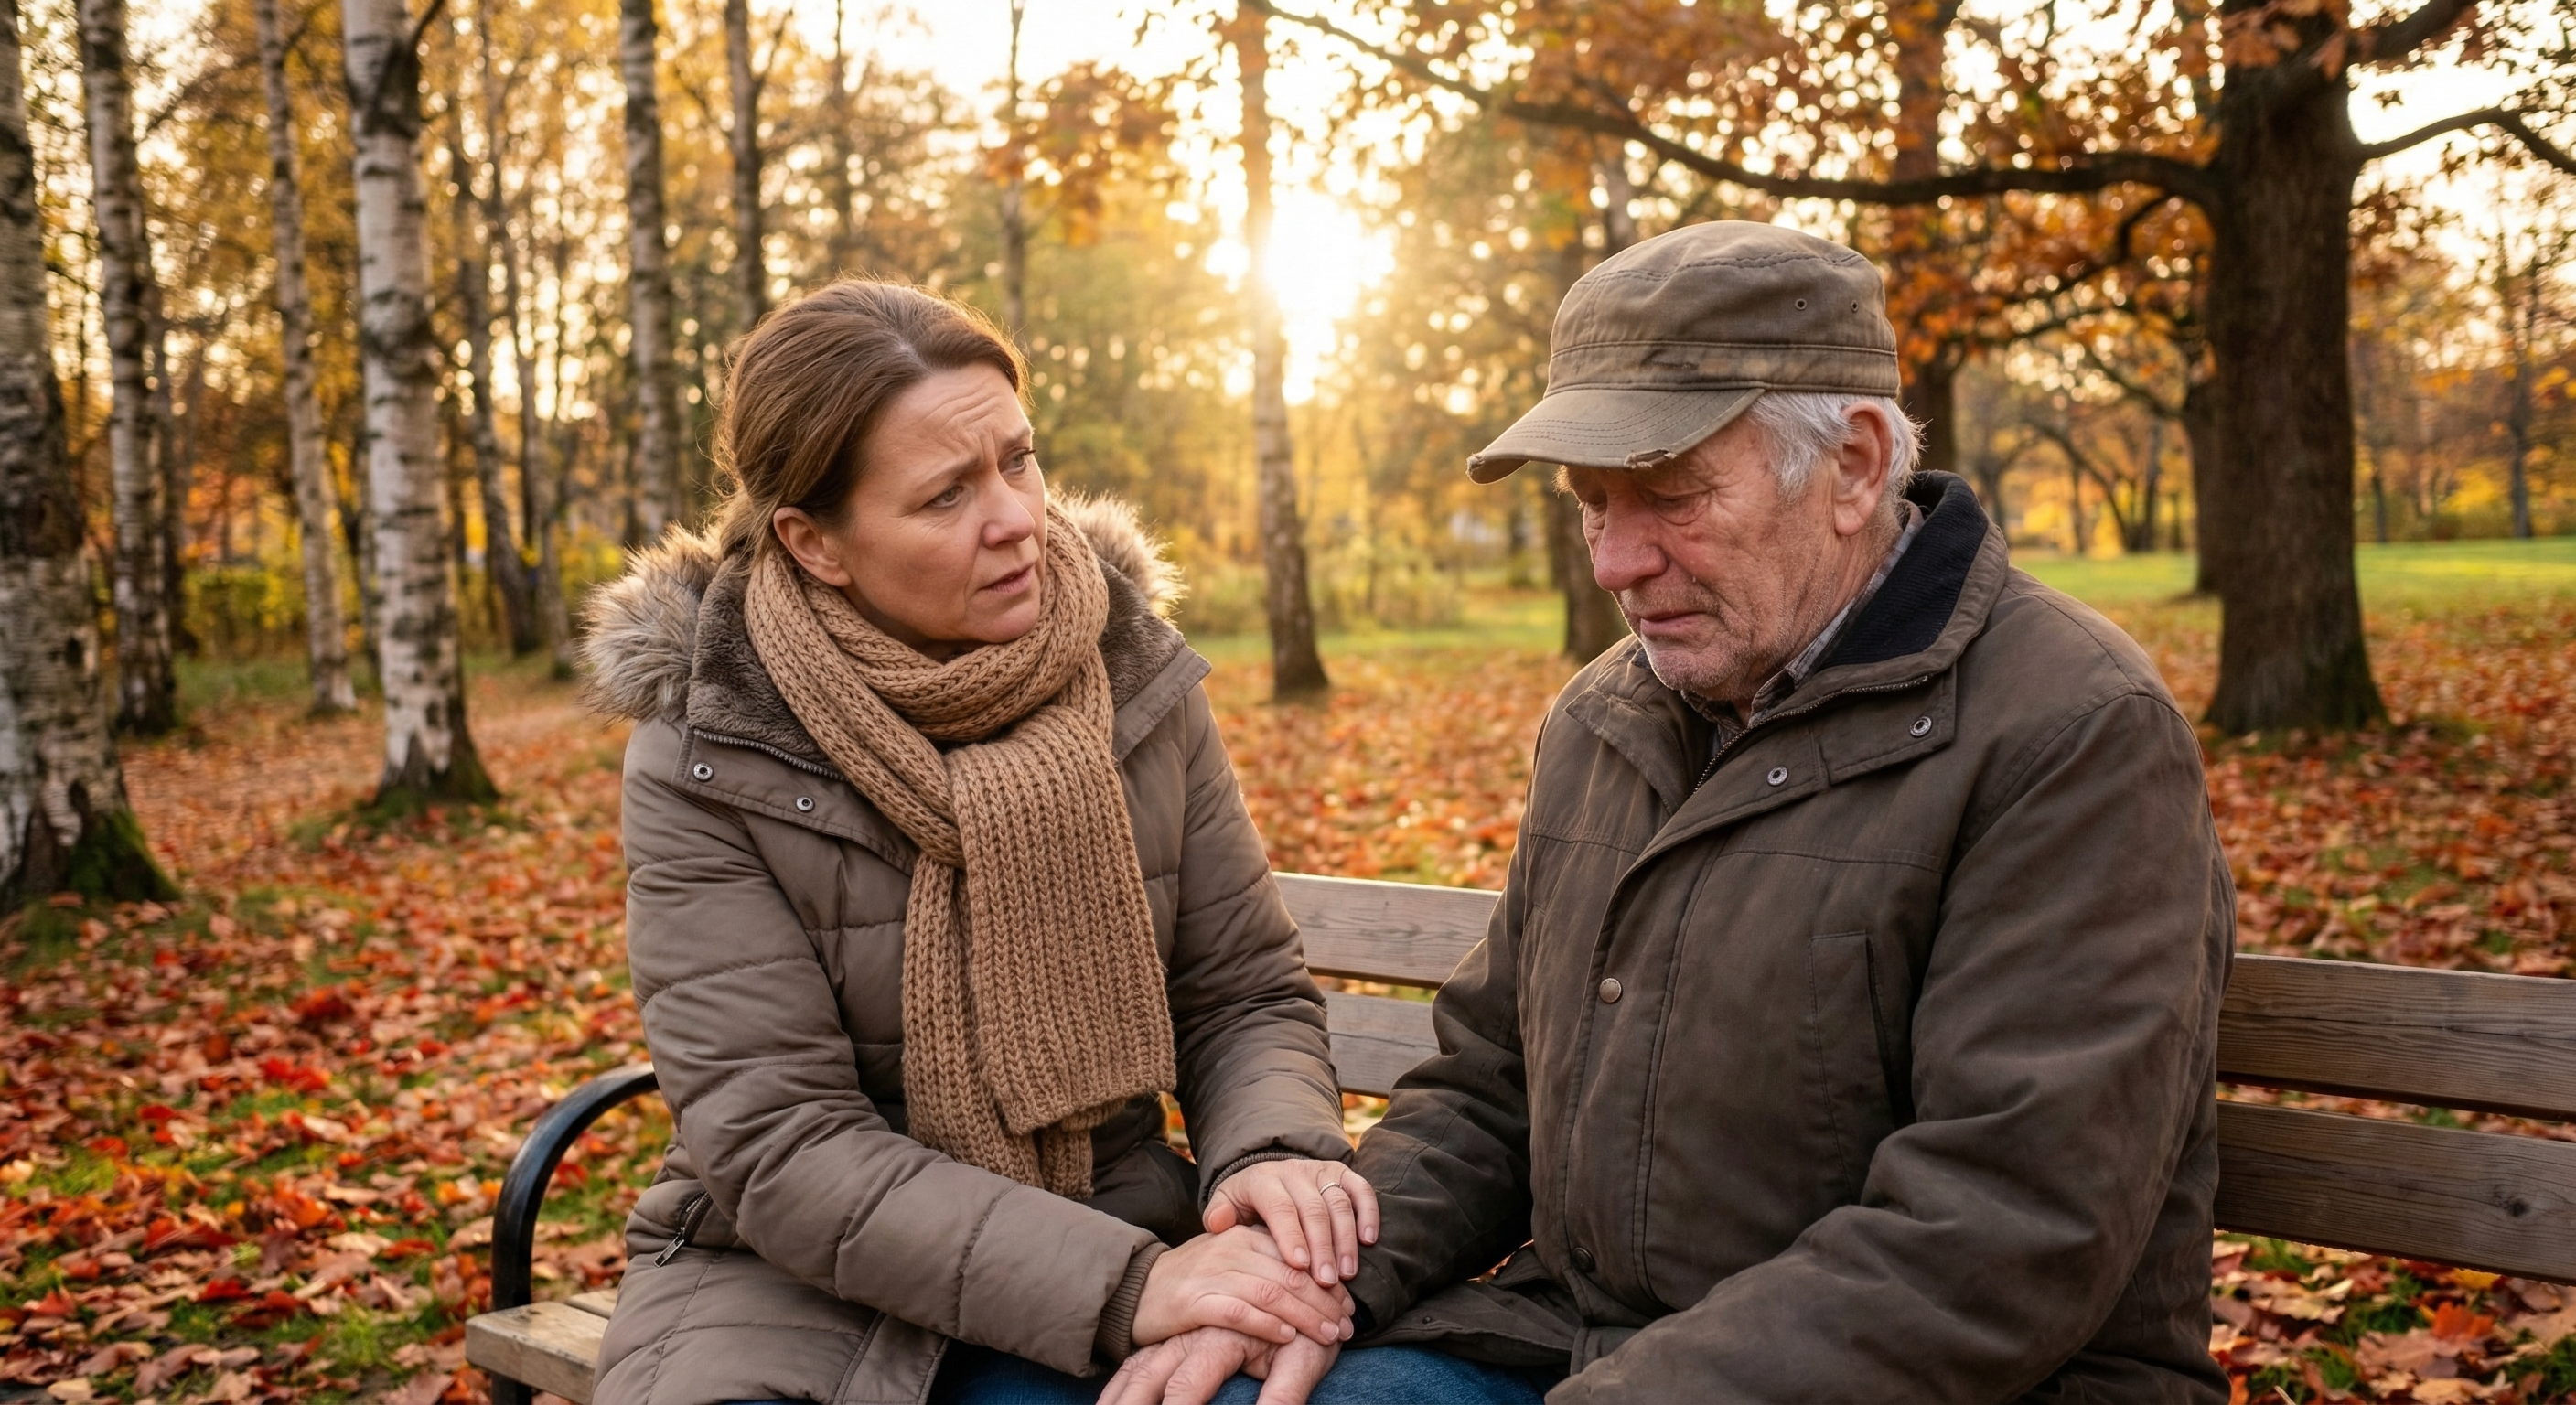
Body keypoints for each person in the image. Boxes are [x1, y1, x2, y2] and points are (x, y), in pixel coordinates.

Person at [1109, 221, 2233, 1404]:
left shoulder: (2073, 731)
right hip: (1575, 1344)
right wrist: (1315, 1287)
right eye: (1592, 505)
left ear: (1852, 467)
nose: (1614, 562)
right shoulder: (1608, 717)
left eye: (1670, 498)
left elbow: (2004, 1233)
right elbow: (1497, 1087)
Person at [581, 280, 1378, 1405]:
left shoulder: (1133, 674)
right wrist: (1126, 1288)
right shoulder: (711, 746)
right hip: (794, 1286)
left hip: (1122, 1215)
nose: (1014, 518)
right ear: (815, 544)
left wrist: (1271, 1155)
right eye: (946, 494)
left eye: (1019, 458)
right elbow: (781, 1144)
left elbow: (1240, 993)